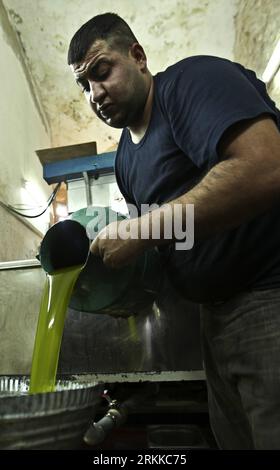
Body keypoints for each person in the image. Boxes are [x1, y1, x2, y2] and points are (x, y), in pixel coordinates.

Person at [68, 13, 280, 449]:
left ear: (138, 56)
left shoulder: (192, 83)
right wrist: (125, 290)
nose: (95, 94)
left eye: (101, 72)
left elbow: (267, 167)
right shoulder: (126, 159)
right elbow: (169, 241)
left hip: (268, 298)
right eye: (84, 86)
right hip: (214, 321)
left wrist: (142, 229)